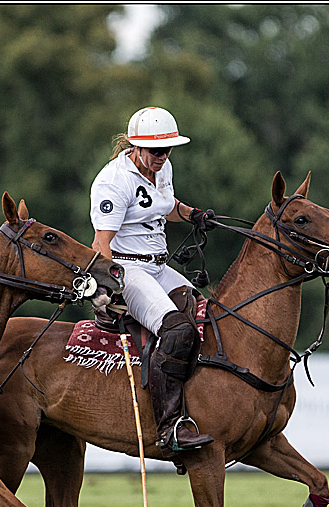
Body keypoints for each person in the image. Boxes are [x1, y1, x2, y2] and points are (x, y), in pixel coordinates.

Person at [89, 106, 216, 456]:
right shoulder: (115, 181)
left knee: (207, 315)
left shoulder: (163, 169)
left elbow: (164, 205)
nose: (163, 157)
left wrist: (192, 214)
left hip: (160, 267)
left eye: (167, 150)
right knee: (178, 331)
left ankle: (204, 407)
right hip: (129, 272)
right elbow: (101, 243)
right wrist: (107, 288)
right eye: (156, 151)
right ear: (136, 147)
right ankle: (169, 426)